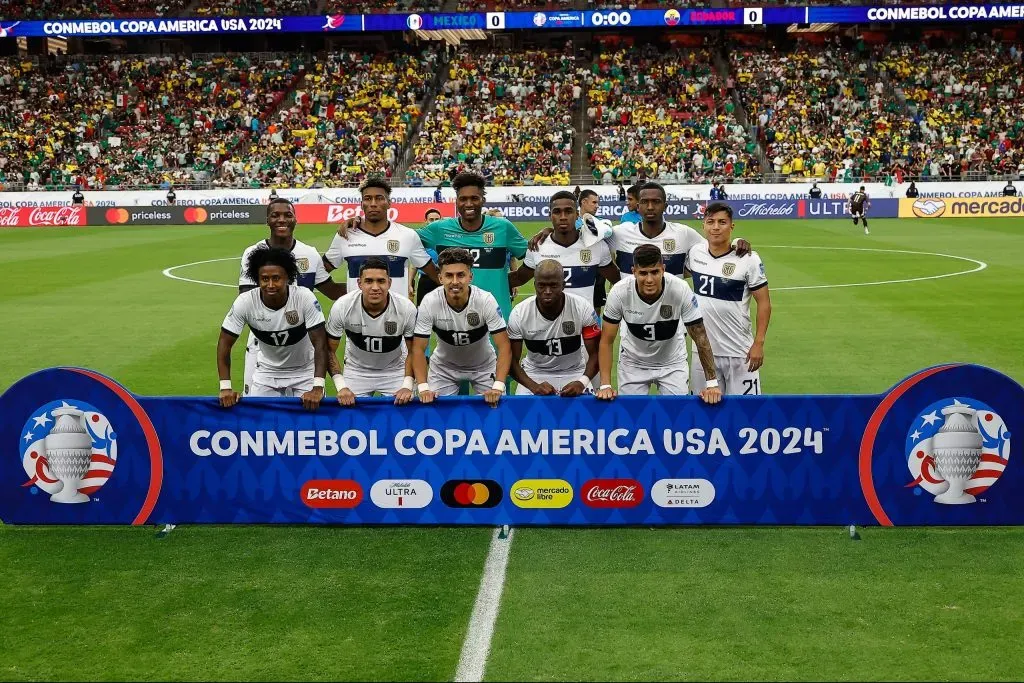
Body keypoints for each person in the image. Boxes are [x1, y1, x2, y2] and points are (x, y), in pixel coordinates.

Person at [238, 198, 345, 396]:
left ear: (295, 219)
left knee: (303, 414)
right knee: (257, 411)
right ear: (267, 220)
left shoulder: (309, 254)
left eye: (288, 215)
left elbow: (331, 291)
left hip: (302, 345)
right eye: (275, 215)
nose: (282, 220)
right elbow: (245, 295)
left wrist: (363, 283)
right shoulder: (253, 253)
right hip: (264, 343)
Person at [596, 245, 720, 402]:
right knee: (632, 417)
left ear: (663, 269)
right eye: (643, 273)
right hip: (633, 364)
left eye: (655, 272)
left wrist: (712, 384)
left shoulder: (680, 289)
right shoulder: (619, 293)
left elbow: (700, 335)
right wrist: (605, 385)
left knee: (676, 417)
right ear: (634, 271)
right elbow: (606, 340)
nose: (649, 279)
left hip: (672, 363)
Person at [218, 248, 329, 411]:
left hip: (304, 371)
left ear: (288, 278)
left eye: (276, 278)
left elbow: (320, 343)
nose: (270, 285)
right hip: (267, 372)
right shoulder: (245, 302)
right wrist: (225, 387)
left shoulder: (304, 297)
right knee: (258, 423)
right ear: (257, 279)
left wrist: (318, 386)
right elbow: (224, 344)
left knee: (311, 424)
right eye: (264, 279)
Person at [687, 202, 772, 396]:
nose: (716, 227)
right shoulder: (695, 253)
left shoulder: (749, 259)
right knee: (704, 413)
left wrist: (758, 343)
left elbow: (764, 302)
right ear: (704, 226)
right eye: (711, 222)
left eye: (722, 222)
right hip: (702, 352)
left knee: (746, 413)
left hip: (740, 352)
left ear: (731, 226)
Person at [412, 248, 511, 406]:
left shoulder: (485, 300)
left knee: (494, 411)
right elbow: (418, 348)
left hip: (484, 366)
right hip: (444, 368)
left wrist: (498, 386)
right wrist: (423, 388)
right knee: (436, 414)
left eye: (461, 275)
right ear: (440, 277)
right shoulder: (429, 302)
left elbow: (504, 345)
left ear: (470, 277)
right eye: (449, 276)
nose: (455, 281)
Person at [323, 177, 439, 300]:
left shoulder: (407, 235)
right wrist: (339, 292)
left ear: (389, 203)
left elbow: (437, 275)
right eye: (368, 199)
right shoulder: (346, 235)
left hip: (398, 317)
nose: (373, 204)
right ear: (362, 204)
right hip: (357, 318)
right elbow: (319, 271)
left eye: (379, 198)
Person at [326, 257, 418, 406]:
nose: (375, 287)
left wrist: (407, 385)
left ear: (389, 283)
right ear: (359, 283)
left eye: (381, 281)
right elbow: (329, 349)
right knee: (353, 422)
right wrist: (341, 386)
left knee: (402, 419)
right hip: (357, 371)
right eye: (369, 281)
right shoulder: (343, 306)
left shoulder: (406, 308)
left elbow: (415, 350)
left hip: (395, 370)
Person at [508, 259, 601, 396]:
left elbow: (597, 353)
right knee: (525, 416)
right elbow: (511, 360)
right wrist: (533, 386)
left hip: (574, 371)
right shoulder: (519, 313)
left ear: (563, 285)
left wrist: (582, 382)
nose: (547, 291)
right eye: (541, 286)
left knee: (584, 416)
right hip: (534, 372)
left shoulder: (582, 308)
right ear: (534, 285)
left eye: (553, 285)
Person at [509, 191, 620, 307]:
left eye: (568, 211)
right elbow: (518, 278)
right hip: (549, 322)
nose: (563, 217)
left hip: (584, 322)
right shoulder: (537, 246)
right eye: (557, 212)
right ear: (550, 215)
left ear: (577, 215)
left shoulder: (597, 246)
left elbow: (619, 281)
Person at [414, 208, 443, 304]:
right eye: (431, 219)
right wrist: (410, 283)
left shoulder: (447, 237)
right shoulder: (420, 238)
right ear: (425, 221)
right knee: (423, 308)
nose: (434, 222)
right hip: (425, 280)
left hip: (443, 279)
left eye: (437, 219)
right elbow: (415, 263)